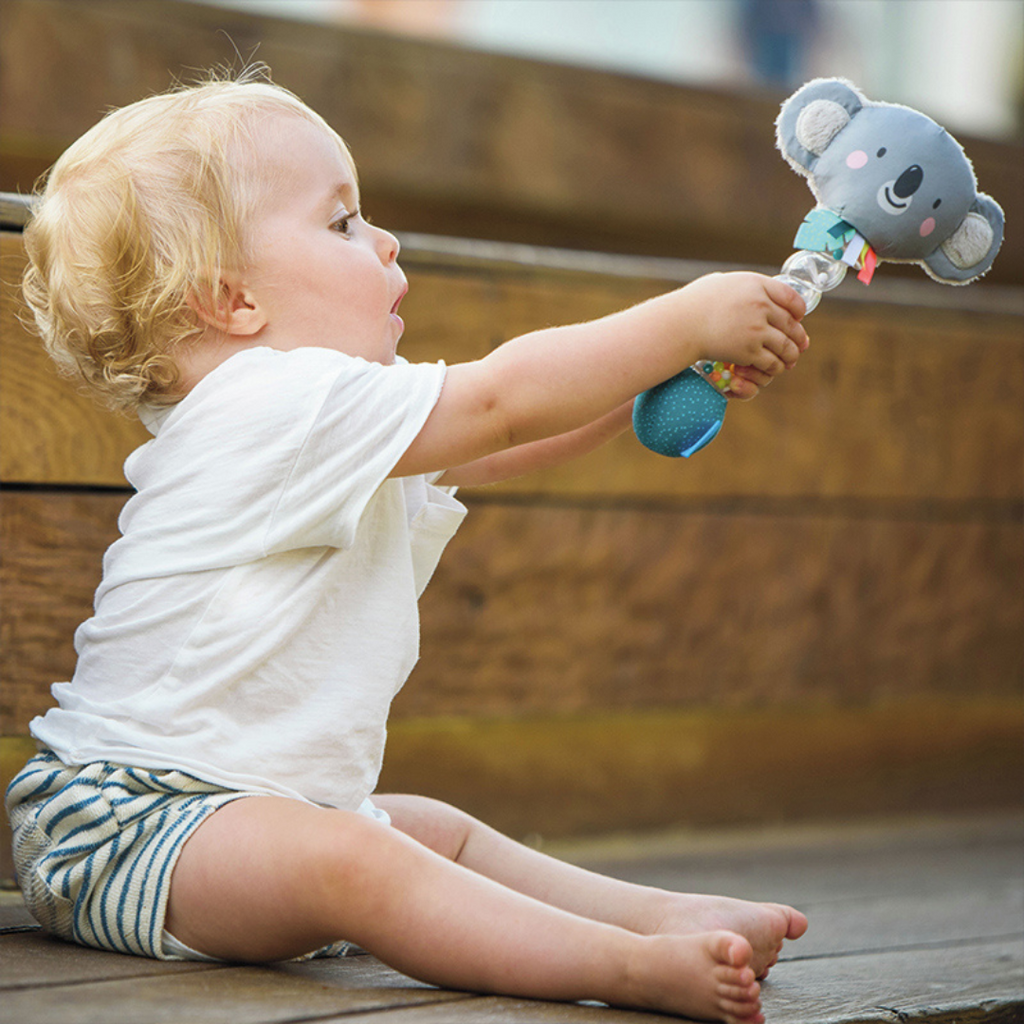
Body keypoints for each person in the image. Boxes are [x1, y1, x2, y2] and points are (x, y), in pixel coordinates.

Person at [6, 70, 810, 1024]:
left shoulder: (320, 420)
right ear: (234, 301)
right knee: (361, 855)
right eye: (341, 223)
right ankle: (624, 968)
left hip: (228, 821)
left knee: (433, 831)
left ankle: (663, 916)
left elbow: (504, 437)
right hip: (125, 826)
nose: (384, 241)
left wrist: (647, 385)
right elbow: (501, 399)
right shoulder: (270, 407)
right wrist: (686, 317)